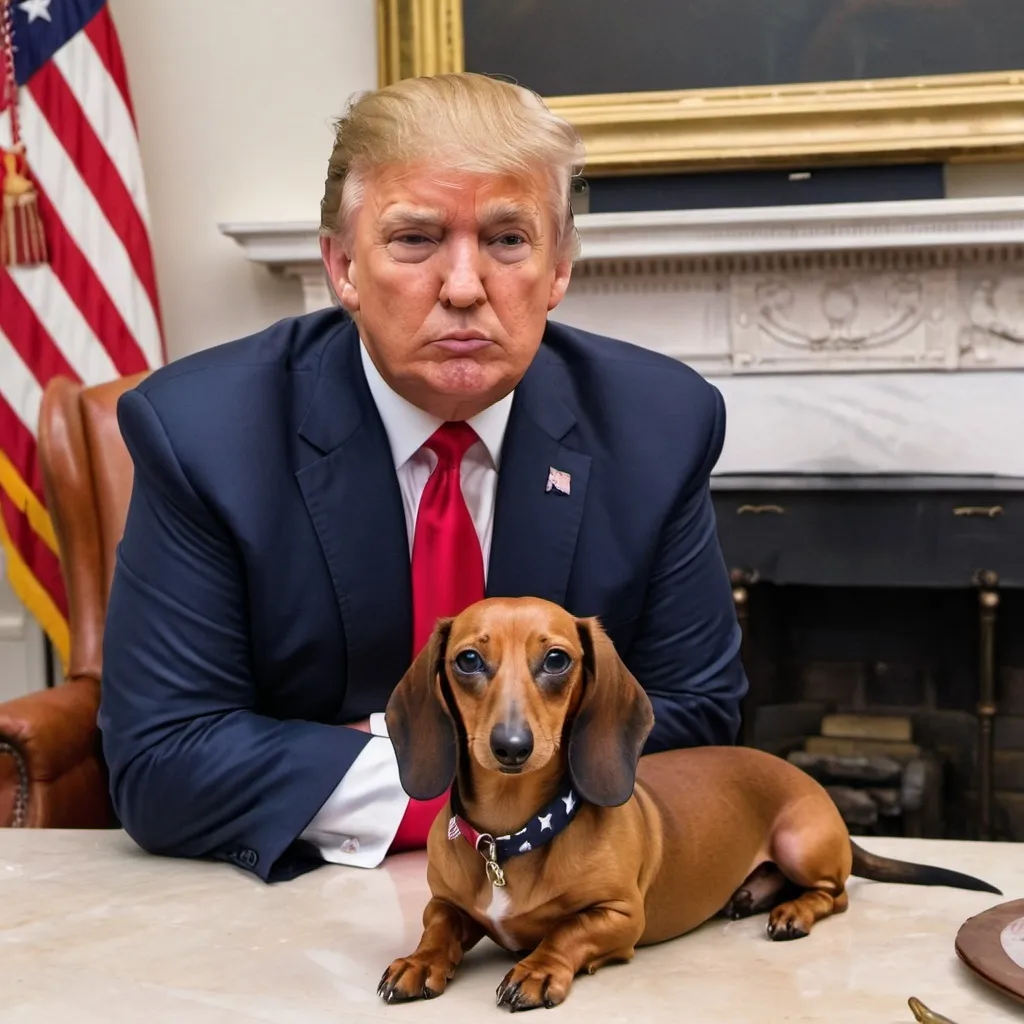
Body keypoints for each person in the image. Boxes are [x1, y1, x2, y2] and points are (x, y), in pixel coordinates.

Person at [98, 72, 747, 884]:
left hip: (561, 901)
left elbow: (698, 719)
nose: (466, 287)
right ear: (341, 266)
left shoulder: (660, 424)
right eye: (415, 239)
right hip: (295, 906)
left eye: (509, 240)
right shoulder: (203, 434)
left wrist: (365, 756)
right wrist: (460, 786)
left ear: (558, 270)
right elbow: (164, 759)